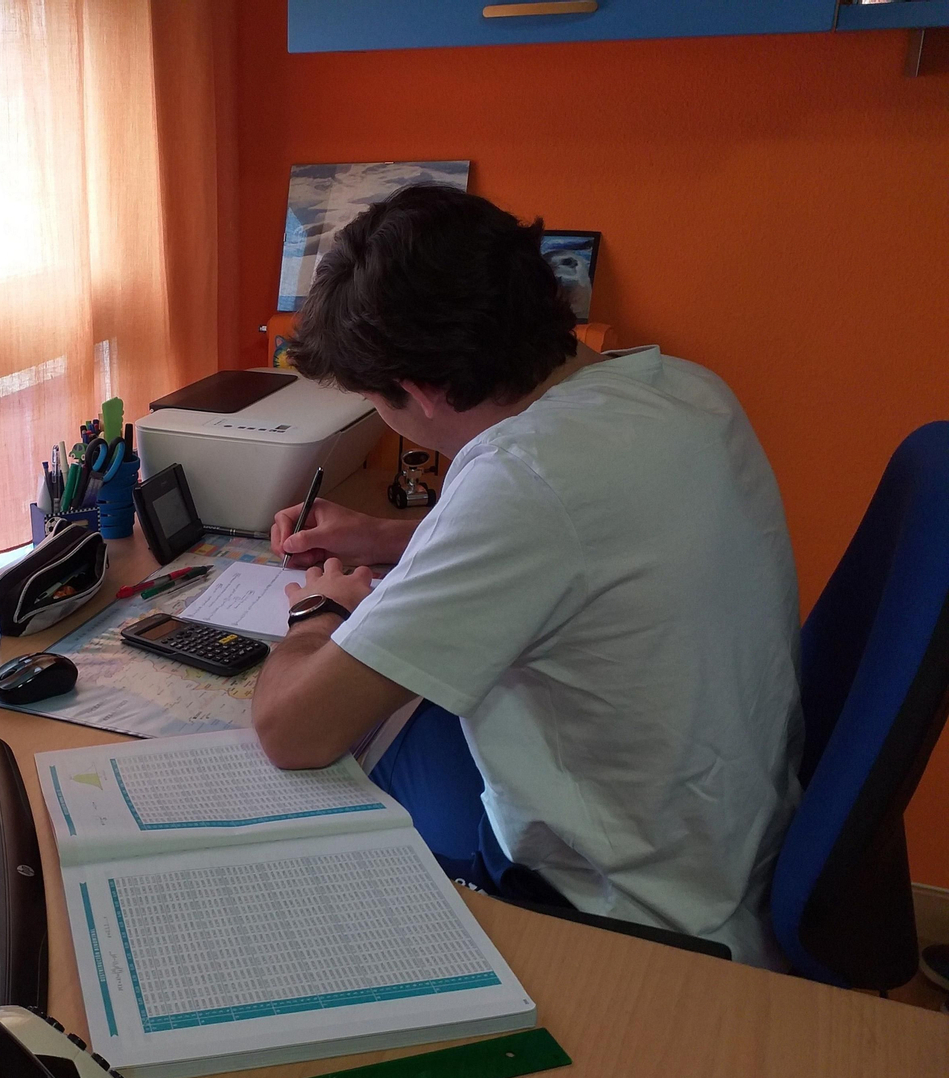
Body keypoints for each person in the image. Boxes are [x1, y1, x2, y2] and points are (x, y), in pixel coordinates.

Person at [252, 185, 802, 968]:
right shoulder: (684, 390)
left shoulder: (525, 476)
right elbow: (587, 548)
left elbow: (293, 732)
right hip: (727, 838)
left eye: (376, 401)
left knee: (304, 807)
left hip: (626, 908)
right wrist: (387, 537)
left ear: (424, 393)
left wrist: (317, 611)